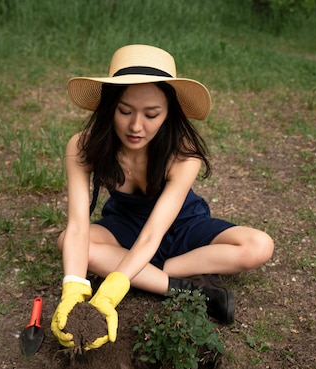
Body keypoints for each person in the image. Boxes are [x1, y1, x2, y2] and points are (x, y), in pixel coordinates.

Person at [50, 44, 274, 351]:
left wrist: (113, 288)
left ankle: (156, 273)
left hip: (183, 225)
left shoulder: (184, 154)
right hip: (126, 227)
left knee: (259, 246)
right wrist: (73, 289)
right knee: (68, 242)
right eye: (125, 111)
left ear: (169, 113)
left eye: (151, 114)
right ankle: (185, 290)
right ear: (109, 106)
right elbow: (78, 226)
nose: (136, 126)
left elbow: (154, 233)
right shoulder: (83, 146)